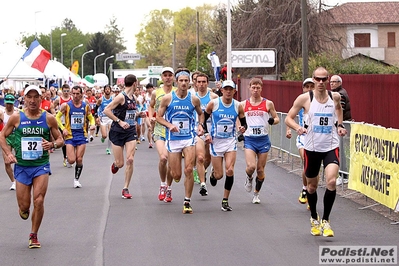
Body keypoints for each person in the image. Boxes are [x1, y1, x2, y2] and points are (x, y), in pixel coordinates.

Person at [285, 67, 347, 237]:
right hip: (312, 148)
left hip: (330, 146)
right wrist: (298, 127)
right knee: (311, 187)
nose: (320, 82)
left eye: (323, 79)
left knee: (332, 182)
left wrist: (340, 125)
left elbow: (339, 110)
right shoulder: (305, 99)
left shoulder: (335, 97)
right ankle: (314, 217)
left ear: (327, 80)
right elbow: (288, 118)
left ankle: (326, 220)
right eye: (317, 79)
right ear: (313, 80)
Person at [0, 85, 64, 248]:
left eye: (36, 97)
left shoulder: (49, 118)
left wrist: (52, 144)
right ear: (25, 99)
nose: (33, 100)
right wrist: (8, 153)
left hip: (40, 165)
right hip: (21, 166)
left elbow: (60, 140)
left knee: (39, 200)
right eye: (30, 97)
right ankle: (24, 209)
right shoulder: (16, 117)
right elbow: (2, 136)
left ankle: (34, 234)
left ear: (41, 99)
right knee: (24, 207)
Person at [156, 68, 204, 214]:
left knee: (188, 169)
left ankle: (187, 201)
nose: (183, 83)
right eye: (181, 81)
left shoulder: (193, 99)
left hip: (188, 138)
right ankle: (170, 183)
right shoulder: (167, 98)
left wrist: (200, 125)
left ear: (190, 82)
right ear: (177, 82)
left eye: (186, 80)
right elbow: (158, 117)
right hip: (173, 140)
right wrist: (170, 125)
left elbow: (201, 114)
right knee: (176, 175)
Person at [203, 80, 247, 211]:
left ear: (234, 91)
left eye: (231, 89)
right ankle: (213, 173)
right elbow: (203, 120)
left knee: (230, 170)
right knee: (219, 175)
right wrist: (206, 133)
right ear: (221, 90)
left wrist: (243, 128)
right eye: (226, 89)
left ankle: (225, 200)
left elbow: (244, 123)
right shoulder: (214, 104)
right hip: (216, 142)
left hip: (230, 142)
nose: (228, 91)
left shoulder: (238, 106)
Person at [103, 74, 145, 199]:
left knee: (130, 159)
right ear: (135, 83)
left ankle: (125, 188)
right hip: (117, 131)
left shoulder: (134, 98)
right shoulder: (121, 97)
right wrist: (119, 121)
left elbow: (130, 113)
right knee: (120, 163)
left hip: (130, 131)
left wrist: (138, 114)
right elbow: (106, 110)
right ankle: (116, 164)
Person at [242, 78, 279, 204]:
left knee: (260, 170)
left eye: (258, 88)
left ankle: (256, 194)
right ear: (250, 88)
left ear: (261, 89)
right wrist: (240, 128)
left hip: (263, 139)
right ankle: (248, 177)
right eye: (253, 87)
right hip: (250, 139)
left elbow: (277, 118)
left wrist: (272, 121)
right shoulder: (243, 104)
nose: (255, 90)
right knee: (251, 166)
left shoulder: (268, 103)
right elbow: (238, 118)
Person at [56, 85, 96, 188]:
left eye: (77, 94)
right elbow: (57, 118)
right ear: (71, 94)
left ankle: (76, 179)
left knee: (79, 159)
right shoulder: (66, 106)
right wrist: (63, 128)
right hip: (70, 135)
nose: (75, 96)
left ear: (81, 94)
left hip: (82, 135)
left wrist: (92, 124)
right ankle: (68, 160)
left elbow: (91, 118)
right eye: (73, 94)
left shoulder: (85, 106)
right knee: (72, 160)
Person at [286, 78, 315, 207]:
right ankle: (305, 189)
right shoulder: (302, 100)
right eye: (306, 87)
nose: (309, 89)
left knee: (313, 168)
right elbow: (289, 116)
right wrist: (291, 129)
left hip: (318, 139)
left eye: (311, 86)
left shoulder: (323, 100)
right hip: (304, 137)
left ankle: (310, 191)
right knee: (306, 163)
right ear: (303, 88)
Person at [148, 67, 176, 202]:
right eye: (165, 75)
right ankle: (163, 184)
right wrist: (151, 117)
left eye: (170, 75)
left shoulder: (179, 92)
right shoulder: (156, 92)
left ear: (173, 77)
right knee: (163, 158)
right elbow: (151, 105)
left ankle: (169, 188)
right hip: (160, 129)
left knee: (171, 162)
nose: (168, 77)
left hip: (174, 131)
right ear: (162, 77)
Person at [194, 73, 219, 196]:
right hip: (197, 130)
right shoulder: (192, 97)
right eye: (199, 82)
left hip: (210, 130)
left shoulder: (213, 97)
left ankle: (202, 171)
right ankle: (203, 185)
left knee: (208, 158)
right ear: (196, 83)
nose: (201, 84)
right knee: (200, 157)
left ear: (207, 83)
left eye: (204, 82)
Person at [330, 75, 352, 185]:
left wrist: (339, 124)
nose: (332, 84)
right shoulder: (338, 93)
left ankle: (344, 175)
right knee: (339, 150)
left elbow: (339, 111)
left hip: (340, 127)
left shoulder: (340, 94)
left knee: (340, 150)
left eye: (334, 82)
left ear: (339, 83)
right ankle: (342, 174)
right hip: (339, 126)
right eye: (331, 82)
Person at [0, 94, 19, 190]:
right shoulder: (1, 113)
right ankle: (13, 181)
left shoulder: (17, 112)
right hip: (7, 138)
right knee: (7, 162)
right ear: (5, 103)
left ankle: (20, 179)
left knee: (19, 160)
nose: (9, 106)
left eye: (11, 104)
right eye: (7, 103)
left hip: (16, 137)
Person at [54, 84, 73, 167]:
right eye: (64, 91)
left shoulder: (72, 99)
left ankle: (70, 157)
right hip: (62, 122)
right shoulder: (58, 99)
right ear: (62, 91)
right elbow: (53, 106)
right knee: (64, 140)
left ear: (69, 91)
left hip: (70, 122)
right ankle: (65, 158)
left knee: (70, 140)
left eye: (67, 91)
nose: (66, 92)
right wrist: (55, 113)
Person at [95, 84, 113, 155]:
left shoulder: (113, 99)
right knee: (105, 135)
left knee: (111, 133)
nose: (107, 90)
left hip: (110, 117)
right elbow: (96, 108)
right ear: (104, 91)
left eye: (108, 89)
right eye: (106, 89)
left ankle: (108, 148)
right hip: (103, 118)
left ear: (110, 91)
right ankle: (103, 137)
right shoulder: (101, 99)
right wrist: (97, 116)